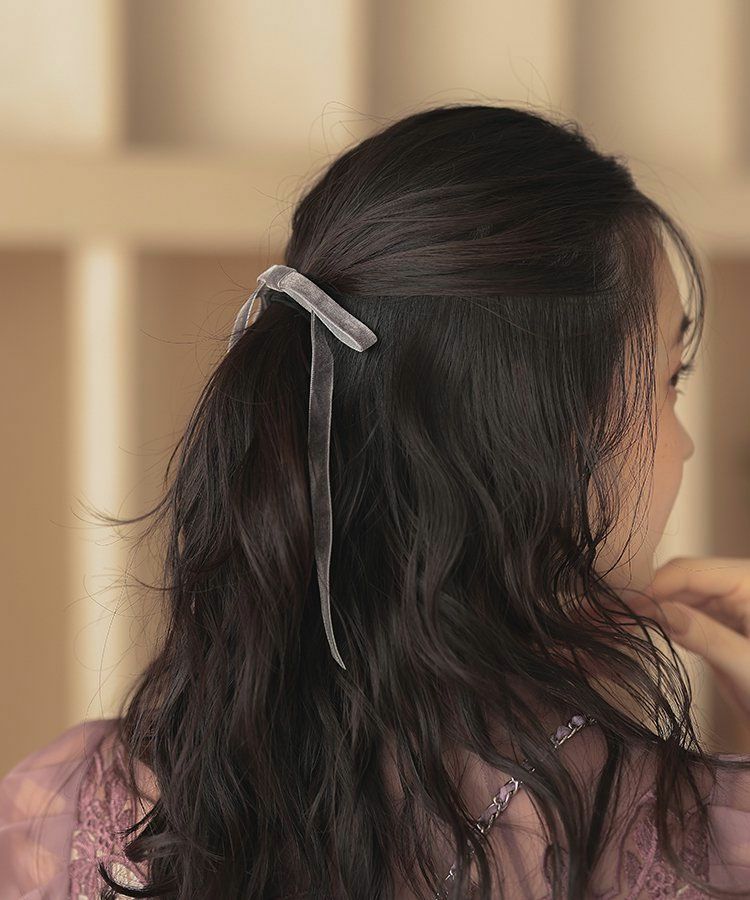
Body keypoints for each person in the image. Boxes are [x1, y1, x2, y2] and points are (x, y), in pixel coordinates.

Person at [2, 102, 750, 899]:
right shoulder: (706, 849)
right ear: (536, 435)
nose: (684, 444)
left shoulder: (63, 810)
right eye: (668, 382)